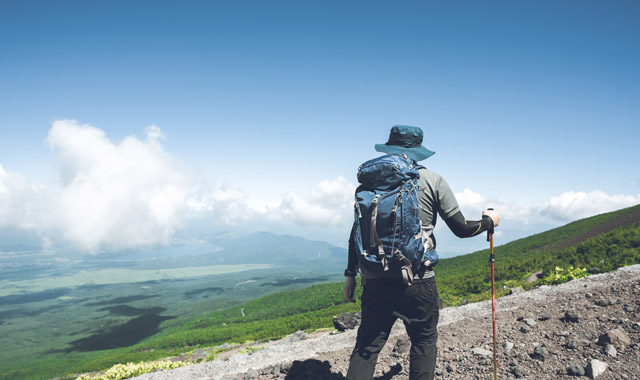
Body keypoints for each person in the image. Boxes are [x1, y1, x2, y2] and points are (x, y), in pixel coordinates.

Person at [343, 125, 500, 380]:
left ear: (389, 147)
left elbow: (357, 232)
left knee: (367, 349)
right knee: (423, 342)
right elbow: (461, 229)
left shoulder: (371, 183)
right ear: (418, 151)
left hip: (374, 279)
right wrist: (490, 222)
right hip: (417, 280)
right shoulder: (432, 180)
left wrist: (351, 274)